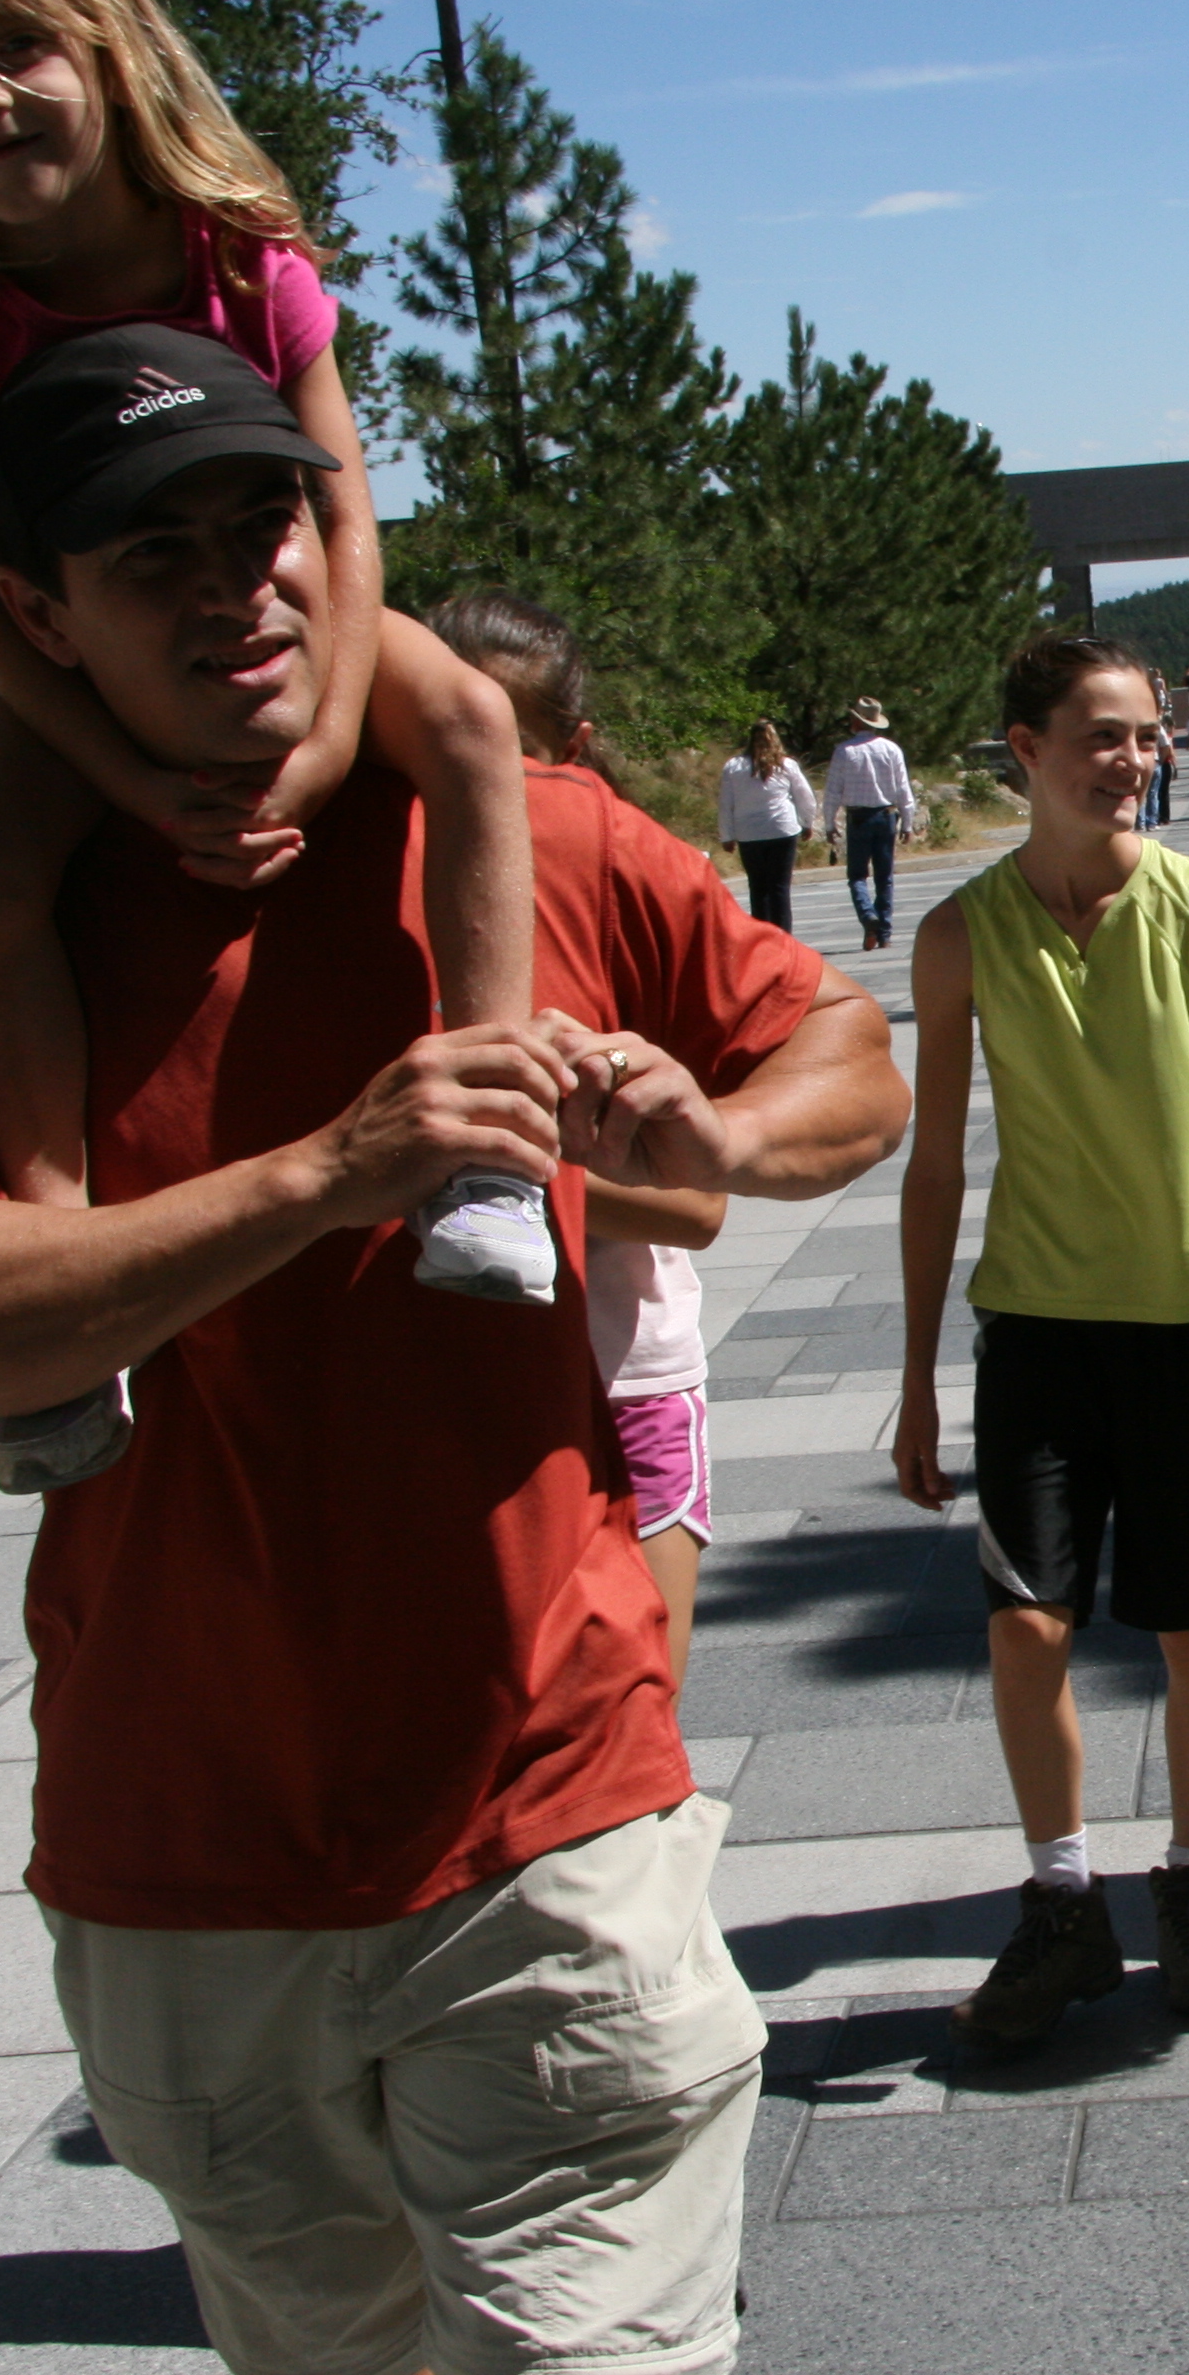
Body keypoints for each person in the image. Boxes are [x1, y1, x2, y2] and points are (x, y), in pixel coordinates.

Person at [0, 324, 908, 2375]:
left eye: (267, 526)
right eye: (154, 556)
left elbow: (844, 1052)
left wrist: (726, 1137)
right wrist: (329, 1174)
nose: (237, 589)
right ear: (37, 614)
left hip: (551, 1819)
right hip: (184, 1876)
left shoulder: (540, 835)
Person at [0, 0, 553, 1498]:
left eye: (17, 48)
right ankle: (55, 1257)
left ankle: (488, 1152)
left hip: (303, 621)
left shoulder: (237, 251)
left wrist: (321, 743)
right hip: (69, 675)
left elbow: (345, 516)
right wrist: (131, 780)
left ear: (109, 42)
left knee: (464, 716)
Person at [896, 634, 1189, 2055]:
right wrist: (915, 1382)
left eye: (1146, 734)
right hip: (1037, 1328)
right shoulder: (960, 935)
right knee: (1027, 1624)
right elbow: (935, 1169)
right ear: (1026, 750)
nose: (1132, 759)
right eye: (1100, 735)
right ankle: (1063, 1903)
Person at [437, 594, 734, 1688]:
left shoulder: (621, 896)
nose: (465, 782)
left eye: (502, 750)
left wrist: (477, 1161)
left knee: (636, 1707)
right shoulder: (361, 901)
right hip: (436, 1397)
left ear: (573, 753)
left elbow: (694, 1207)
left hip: (626, 1376)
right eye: (431, 746)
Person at [825, 697, 916, 950]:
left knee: (857, 875)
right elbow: (903, 788)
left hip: (858, 818)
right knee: (884, 877)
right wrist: (908, 823)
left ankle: (868, 916)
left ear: (856, 721)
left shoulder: (844, 751)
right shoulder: (891, 749)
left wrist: (830, 823)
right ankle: (884, 933)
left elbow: (833, 791)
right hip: (886, 816)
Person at [716, 718, 817, 932]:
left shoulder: (734, 766)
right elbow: (804, 796)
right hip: (782, 829)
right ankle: (784, 937)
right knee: (780, 888)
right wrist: (807, 822)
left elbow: (726, 803)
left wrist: (727, 835)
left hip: (749, 834)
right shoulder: (786, 765)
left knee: (758, 888)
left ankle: (763, 938)